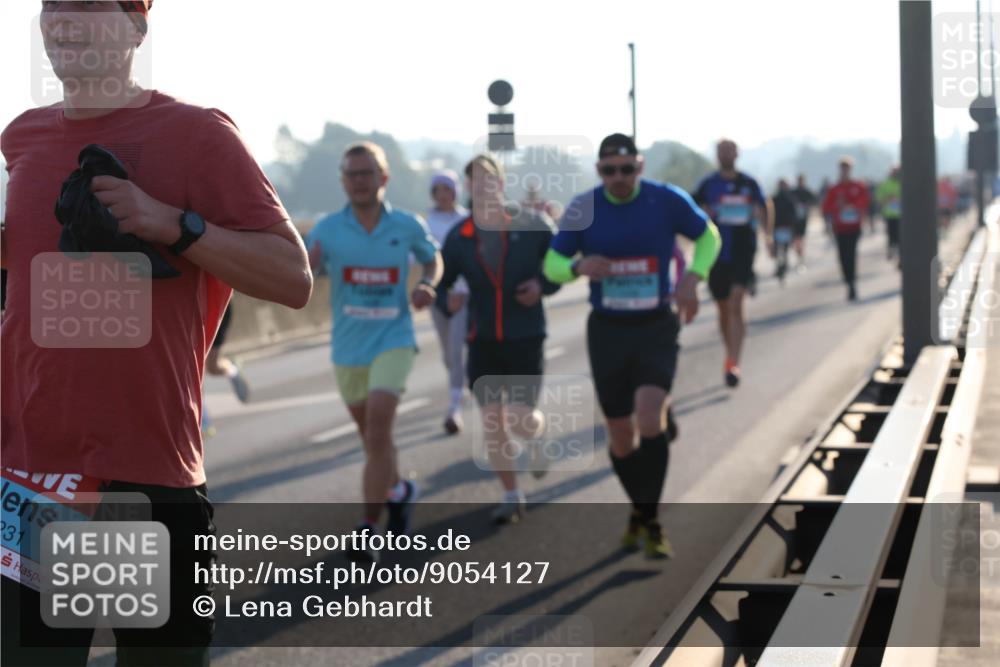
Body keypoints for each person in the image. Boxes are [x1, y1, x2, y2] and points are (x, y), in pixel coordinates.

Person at [0, 2, 313, 665]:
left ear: (138, 28)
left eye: (90, 3)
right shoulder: (23, 137)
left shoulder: (197, 134)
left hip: (144, 478)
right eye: (54, 3)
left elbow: (292, 277)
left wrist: (173, 224)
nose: (65, 19)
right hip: (32, 479)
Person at [544, 133, 721, 559]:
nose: (619, 178)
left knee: (649, 417)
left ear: (640, 167)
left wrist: (693, 279)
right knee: (621, 435)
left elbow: (709, 236)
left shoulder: (666, 200)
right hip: (607, 330)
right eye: (610, 171)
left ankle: (652, 519)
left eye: (628, 169)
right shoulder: (583, 208)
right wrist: (577, 265)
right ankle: (639, 510)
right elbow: (551, 264)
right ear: (599, 171)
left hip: (656, 324)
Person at [307, 142, 442, 563]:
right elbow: (305, 269)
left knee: (379, 430)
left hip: (394, 338)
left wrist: (427, 284)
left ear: (383, 178)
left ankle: (367, 529)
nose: (359, 181)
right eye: (351, 174)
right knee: (373, 440)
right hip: (348, 347)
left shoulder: (406, 224)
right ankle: (400, 490)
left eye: (367, 173)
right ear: (343, 181)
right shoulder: (327, 230)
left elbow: (431, 257)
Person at [436, 154, 560, 524]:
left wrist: (542, 285)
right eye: (475, 180)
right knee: (492, 421)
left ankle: (536, 439)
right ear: (469, 187)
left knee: (519, 418)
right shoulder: (461, 237)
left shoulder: (533, 224)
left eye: (489, 179)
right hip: (483, 340)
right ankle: (511, 493)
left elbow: (559, 266)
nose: (483, 185)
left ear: (501, 184)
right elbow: (440, 284)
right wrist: (449, 299)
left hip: (526, 337)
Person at [692, 139, 771, 388]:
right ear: (717, 155)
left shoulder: (748, 182)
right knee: (724, 307)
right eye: (721, 150)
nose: (726, 154)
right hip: (716, 252)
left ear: (737, 153)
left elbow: (764, 205)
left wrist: (767, 234)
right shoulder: (708, 184)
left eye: (730, 150)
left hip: (743, 249)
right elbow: (691, 209)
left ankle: (734, 361)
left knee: (737, 301)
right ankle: (730, 354)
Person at [425, 170, 469, 435]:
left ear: (455, 192)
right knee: (446, 353)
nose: (443, 196)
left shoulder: (465, 220)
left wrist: (461, 289)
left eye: (447, 190)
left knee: (455, 350)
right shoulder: (426, 223)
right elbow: (416, 256)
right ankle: (458, 385)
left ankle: (454, 407)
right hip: (436, 292)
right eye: (438, 191)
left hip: (462, 292)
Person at [822, 157, 870, 302]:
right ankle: (848, 280)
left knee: (852, 254)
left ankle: (852, 284)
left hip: (854, 227)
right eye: (842, 168)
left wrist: (853, 206)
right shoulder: (834, 189)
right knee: (843, 256)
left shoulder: (858, 186)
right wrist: (837, 205)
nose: (845, 171)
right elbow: (826, 208)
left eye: (847, 168)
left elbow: (865, 202)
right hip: (839, 228)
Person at [771, 179, 799, 285]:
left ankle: (783, 267)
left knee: (784, 250)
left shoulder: (790, 199)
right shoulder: (775, 199)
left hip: (785, 228)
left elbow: (794, 215)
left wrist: (793, 229)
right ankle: (780, 267)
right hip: (778, 228)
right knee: (779, 250)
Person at [876, 166, 902, 262]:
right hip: (890, 215)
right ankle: (891, 249)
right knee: (891, 235)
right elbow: (879, 198)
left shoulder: (903, 182)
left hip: (902, 216)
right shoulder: (885, 184)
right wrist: (888, 199)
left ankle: (901, 258)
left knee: (901, 237)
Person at [791, 173, 816, 269]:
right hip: (793, 220)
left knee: (800, 239)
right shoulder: (793, 192)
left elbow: (814, 201)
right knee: (795, 240)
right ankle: (799, 254)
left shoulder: (807, 192)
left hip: (803, 219)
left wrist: (807, 205)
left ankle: (800, 257)